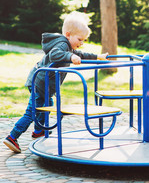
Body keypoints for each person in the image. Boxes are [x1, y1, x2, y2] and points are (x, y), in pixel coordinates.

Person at [3, 11, 108, 153]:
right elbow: (54, 55)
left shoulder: (69, 46)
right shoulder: (62, 45)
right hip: (39, 83)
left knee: (47, 105)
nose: (82, 43)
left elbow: (82, 55)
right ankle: (12, 137)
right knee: (32, 112)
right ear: (68, 34)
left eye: (84, 40)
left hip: (43, 83)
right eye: (80, 39)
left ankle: (39, 131)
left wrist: (98, 57)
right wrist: (70, 57)